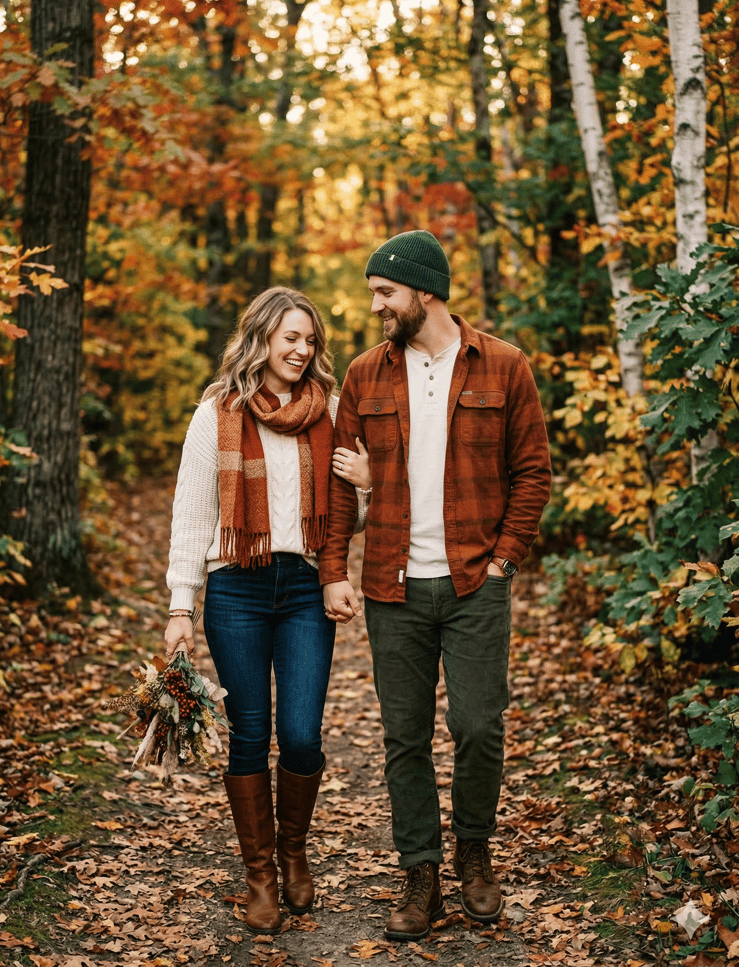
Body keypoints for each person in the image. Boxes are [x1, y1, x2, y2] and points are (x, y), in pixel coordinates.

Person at [320, 231, 552, 941]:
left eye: (385, 292)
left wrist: (504, 561)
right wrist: (333, 568)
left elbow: (533, 473)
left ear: (425, 290)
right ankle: (420, 872)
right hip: (393, 586)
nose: (375, 306)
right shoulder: (365, 374)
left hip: (475, 581)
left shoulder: (505, 365)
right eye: (373, 293)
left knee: (479, 725)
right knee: (405, 735)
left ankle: (474, 852)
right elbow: (341, 485)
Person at [163, 287, 370, 935]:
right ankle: (260, 874)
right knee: (250, 733)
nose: (302, 350)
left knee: (302, 733)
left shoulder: (329, 409)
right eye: (290, 338)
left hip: (305, 586)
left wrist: (365, 487)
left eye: (310, 340)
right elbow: (191, 514)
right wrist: (179, 606)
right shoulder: (217, 413)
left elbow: (348, 515)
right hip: (237, 590)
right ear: (261, 339)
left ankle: (293, 850)